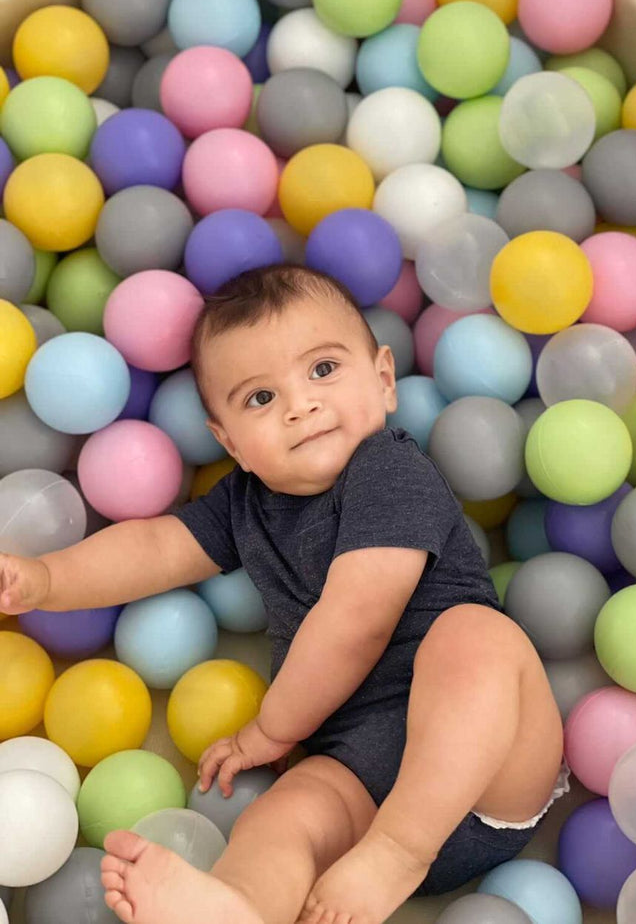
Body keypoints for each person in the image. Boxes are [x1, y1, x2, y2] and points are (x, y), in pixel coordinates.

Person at [0, 264, 566, 924]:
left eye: (322, 370)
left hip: (481, 773)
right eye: (260, 399)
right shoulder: (244, 505)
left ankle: (397, 852)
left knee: (476, 638)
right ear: (229, 443)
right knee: (280, 820)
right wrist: (48, 580)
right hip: (355, 778)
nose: (300, 405)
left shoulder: (388, 468)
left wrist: (273, 728)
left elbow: (359, 617)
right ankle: (240, 907)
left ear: (384, 380)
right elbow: (154, 549)